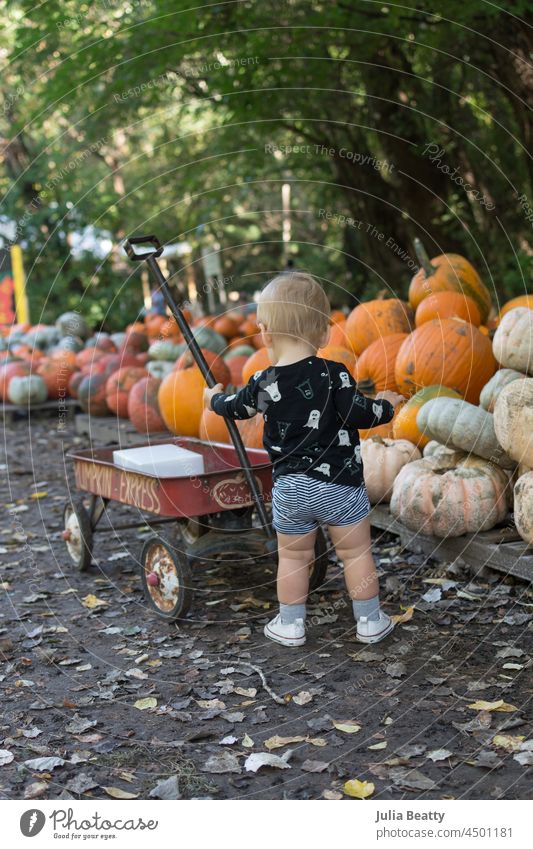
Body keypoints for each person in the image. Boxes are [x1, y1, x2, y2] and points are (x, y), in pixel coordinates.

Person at [204, 272, 404, 647]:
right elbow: (362, 415)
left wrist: (211, 398)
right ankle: (370, 621)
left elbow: (236, 409)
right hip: (340, 487)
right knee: (355, 554)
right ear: (325, 334)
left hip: (291, 490)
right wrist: (387, 408)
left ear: (264, 333)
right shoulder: (335, 375)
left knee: (293, 558)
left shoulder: (263, 382)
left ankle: (291, 624)